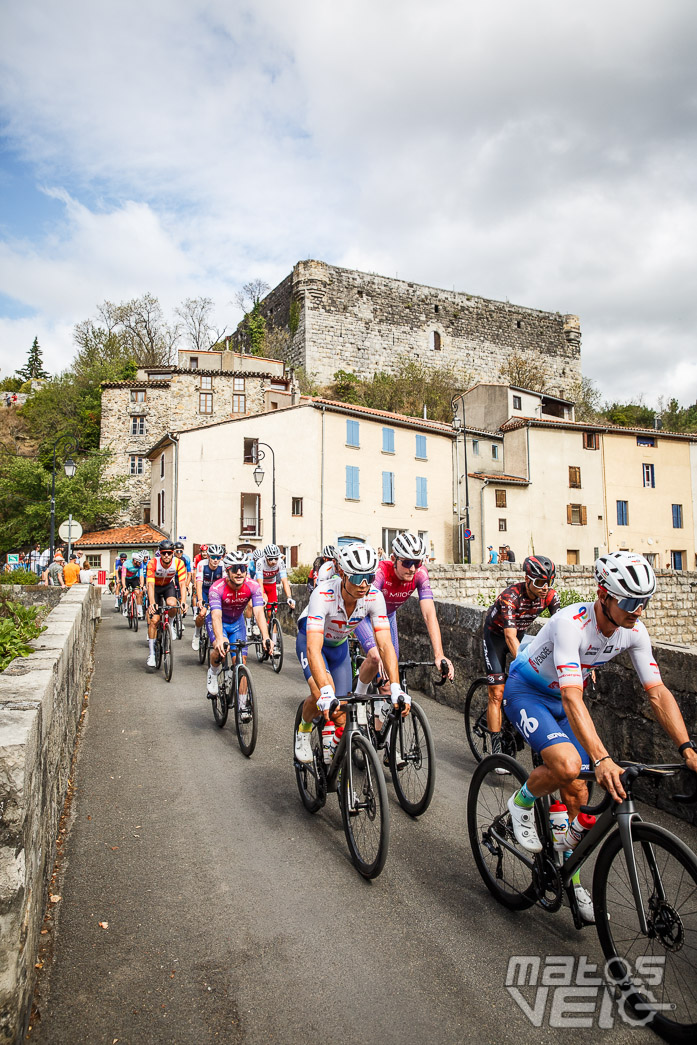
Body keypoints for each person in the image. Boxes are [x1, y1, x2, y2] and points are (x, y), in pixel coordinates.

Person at [502, 551, 697, 923]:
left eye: (643, 601)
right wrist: (603, 757)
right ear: (603, 594)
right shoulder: (570, 624)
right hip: (528, 691)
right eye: (628, 601)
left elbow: (656, 692)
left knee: (578, 792)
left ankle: (570, 878)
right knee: (570, 765)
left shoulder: (634, 631)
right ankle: (521, 802)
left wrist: (687, 748)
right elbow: (573, 696)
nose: (637, 610)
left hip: (563, 699)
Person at [294, 543, 408, 764]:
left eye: (370, 577)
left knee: (343, 710)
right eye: (357, 578)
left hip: (338, 648)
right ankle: (303, 730)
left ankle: (334, 745)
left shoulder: (374, 597)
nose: (364, 584)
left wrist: (395, 687)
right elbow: (313, 648)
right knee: (321, 697)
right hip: (311, 643)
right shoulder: (323, 595)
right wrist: (326, 691)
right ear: (342, 575)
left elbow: (385, 645)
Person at [353, 533, 454, 709]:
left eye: (418, 562)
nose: (413, 568)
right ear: (393, 559)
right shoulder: (381, 573)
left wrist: (439, 654)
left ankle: (379, 733)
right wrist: (379, 650)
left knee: (389, 681)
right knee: (377, 657)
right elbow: (368, 608)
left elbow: (429, 614)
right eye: (407, 562)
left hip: (388, 617)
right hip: (364, 616)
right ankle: (358, 698)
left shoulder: (421, 574)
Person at [482, 555, 560, 760]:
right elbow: (509, 636)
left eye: (549, 582)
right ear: (527, 580)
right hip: (496, 637)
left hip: (521, 634)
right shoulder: (511, 596)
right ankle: (496, 750)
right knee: (497, 693)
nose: (545, 587)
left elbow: (563, 627)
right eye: (540, 582)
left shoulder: (550, 596)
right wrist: (526, 669)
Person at [205, 550, 272, 699]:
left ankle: (243, 704)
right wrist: (220, 639)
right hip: (220, 622)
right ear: (227, 571)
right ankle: (213, 672)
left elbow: (259, 612)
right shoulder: (217, 588)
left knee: (241, 663)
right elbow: (216, 616)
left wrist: (266, 636)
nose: (240, 572)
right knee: (220, 650)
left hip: (237, 623)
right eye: (235, 569)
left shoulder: (253, 586)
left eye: (243, 568)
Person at [145, 540, 188, 668]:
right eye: (164, 553)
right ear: (160, 553)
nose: (167, 556)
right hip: (156, 589)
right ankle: (152, 654)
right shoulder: (153, 563)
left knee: (172, 603)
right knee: (155, 620)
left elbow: (182, 584)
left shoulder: (178, 563)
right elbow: (150, 585)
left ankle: (171, 623)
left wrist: (184, 602)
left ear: (173, 553)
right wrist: (152, 603)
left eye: (169, 553)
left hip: (168, 586)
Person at [191, 544, 225, 651]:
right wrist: (200, 599)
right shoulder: (202, 564)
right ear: (208, 556)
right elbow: (199, 583)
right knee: (201, 614)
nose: (215, 560)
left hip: (216, 592)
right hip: (205, 591)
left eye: (218, 557)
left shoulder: (223, 565)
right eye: (213, 557)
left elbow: (225, 585)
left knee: (219, 615)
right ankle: (196, 635)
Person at [249, 543, 296, 611]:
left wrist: (289, 597)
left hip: (271, 585)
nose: (274, 562)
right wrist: (263, 596)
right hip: (260, 585)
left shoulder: (280, 562)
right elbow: (260, 583)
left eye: (276, 558)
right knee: (262, 604)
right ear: (265, 557)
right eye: (270, 559)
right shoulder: (260, 562)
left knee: (272, 611)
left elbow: (284, 581)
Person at [121, 552, 146, 617]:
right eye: (139, 562)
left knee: (139, 593)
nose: (140, 563)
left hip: (134, 578)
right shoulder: (126, 564)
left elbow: (141, 576)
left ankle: (139, 611)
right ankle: (125, 608)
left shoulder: (140, 565)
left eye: (141, 562)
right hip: (126, 579)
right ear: (134, 560)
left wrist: (142, 585)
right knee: (125, 593)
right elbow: (123, 576)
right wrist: (124, 586)